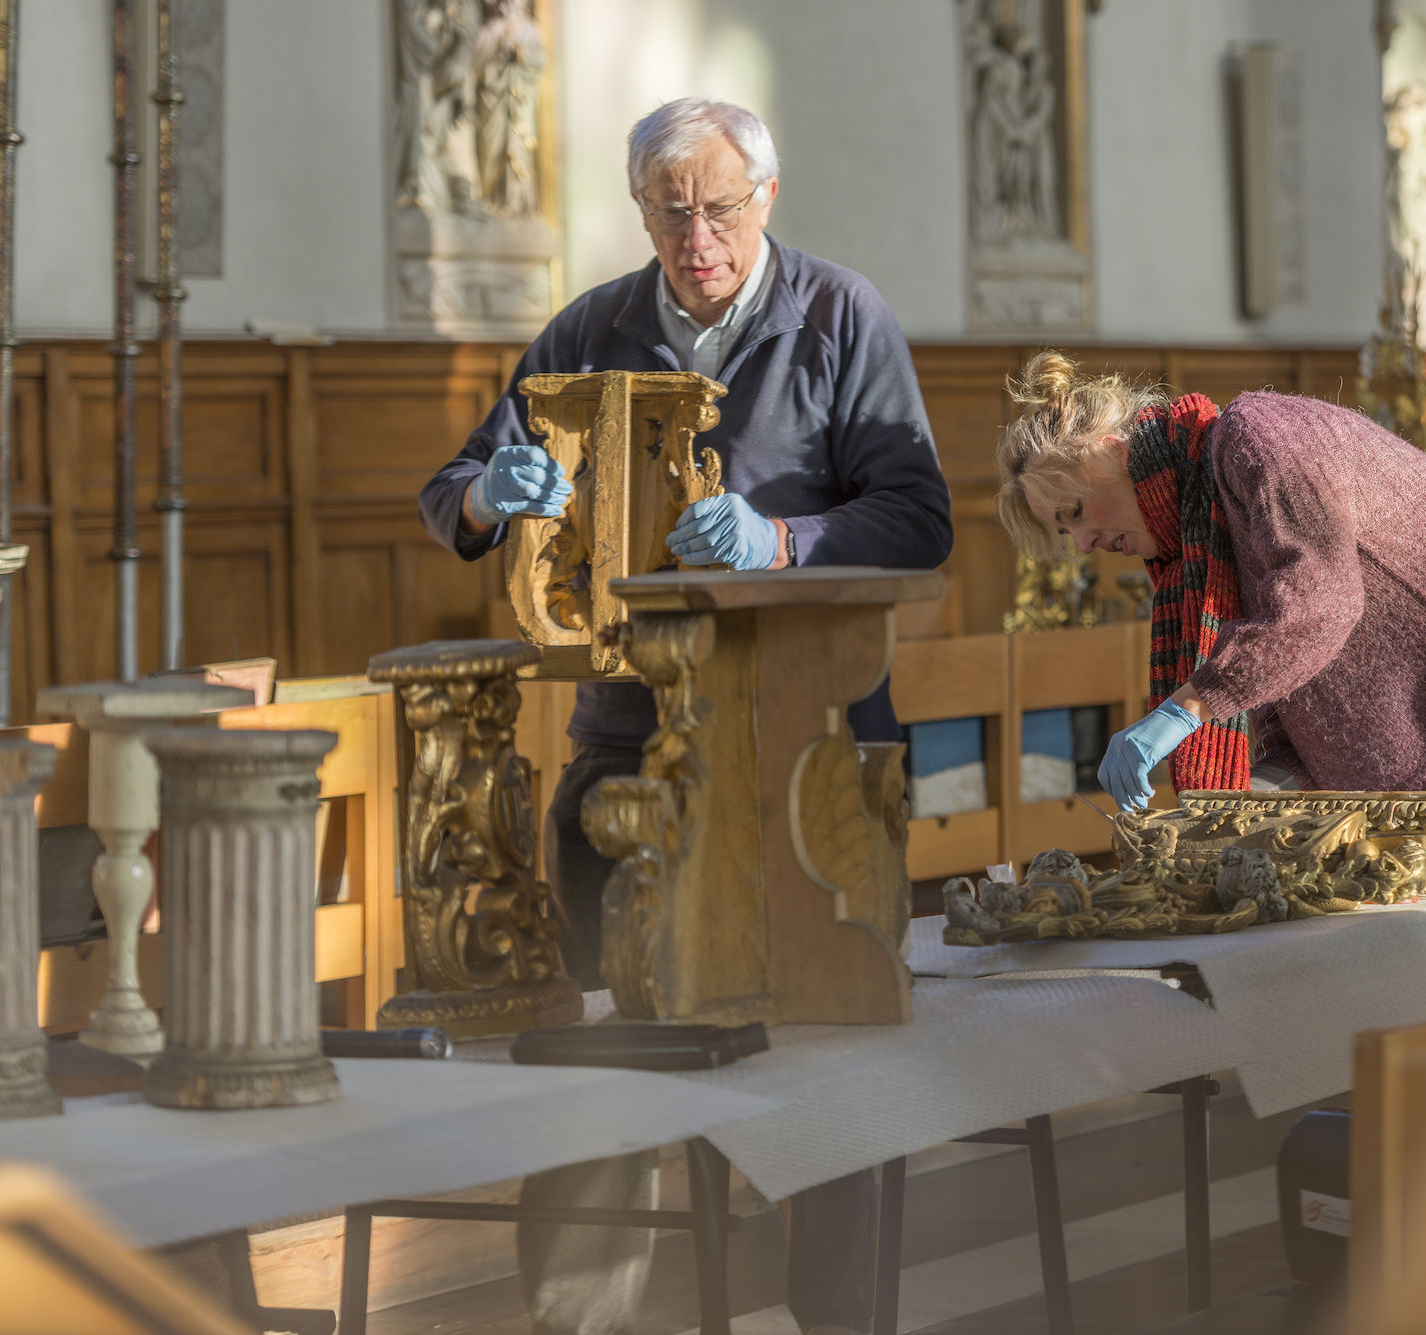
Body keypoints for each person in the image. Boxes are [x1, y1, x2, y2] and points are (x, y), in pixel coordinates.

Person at [420, 97, 951, 1335]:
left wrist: (783, 539)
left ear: (768, 199)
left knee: (835, 1050)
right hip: (627, 740)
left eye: (718, 209)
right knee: (605, 1054)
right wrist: (491, 498)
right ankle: (580, 1321)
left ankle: (839, 1316)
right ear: (641, 210)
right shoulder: (587, 327)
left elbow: (917, 514)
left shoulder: (838, 316)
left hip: (812, 745)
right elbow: (453, 491)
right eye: (670, 212)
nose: (695, 237)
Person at [993, 352, 1426, 887]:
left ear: (1110, 451)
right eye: (1064, 531)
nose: (1082, 545)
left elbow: (1319, 607)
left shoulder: (1256, 434)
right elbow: (1297, 735)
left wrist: (1185, 710)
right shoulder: (1194, 553)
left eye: (1074, 512)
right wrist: (1221, 820)